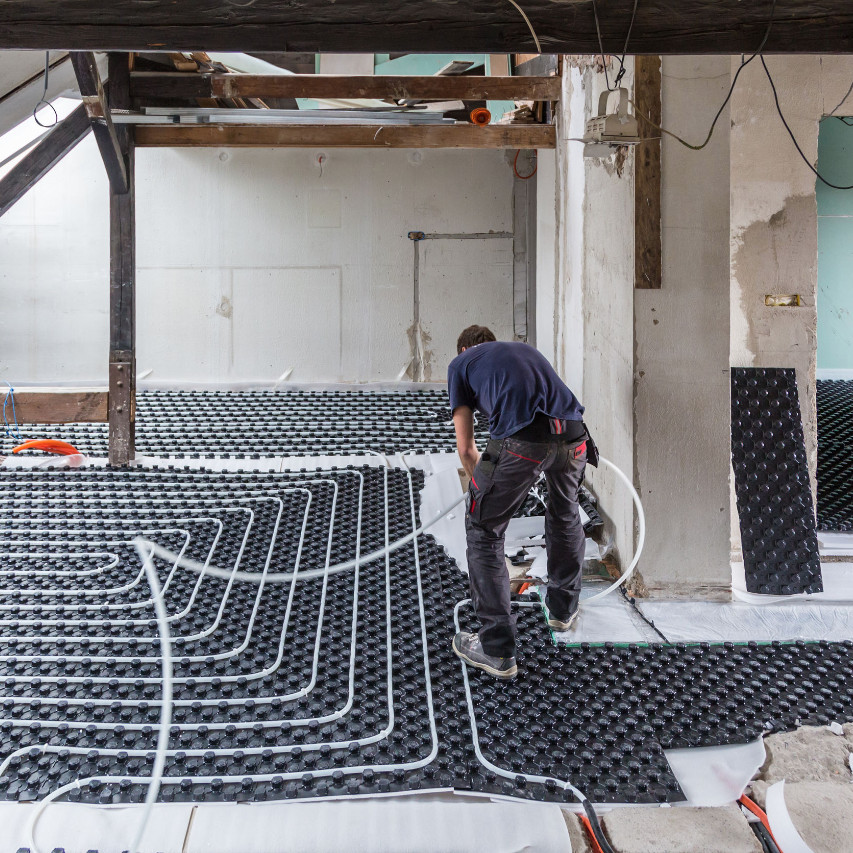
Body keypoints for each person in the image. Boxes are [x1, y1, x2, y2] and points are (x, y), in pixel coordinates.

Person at [447, 325, 594, 680]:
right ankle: (562, 609)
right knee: (565, 513)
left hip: (523, 442)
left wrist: (482, 492)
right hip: (575, 434)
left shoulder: (460, 364)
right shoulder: (521, 350)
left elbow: (467, 449)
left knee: (483, 529)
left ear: (465, 347)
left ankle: (496, 650)